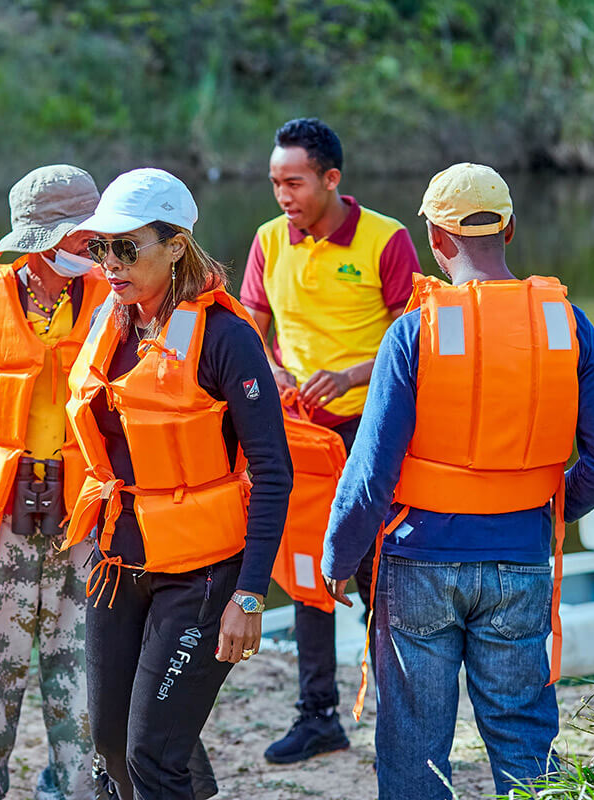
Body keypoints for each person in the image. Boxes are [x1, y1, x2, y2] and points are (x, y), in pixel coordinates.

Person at [321, 163, 594, 800]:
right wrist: (549, 511)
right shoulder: (568, 326)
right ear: (510, 229)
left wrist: (337, 556)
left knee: (414, 745)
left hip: (417, 563)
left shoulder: (413, 332)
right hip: (521, 561)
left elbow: (372, 474)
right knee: (523, 741)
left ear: (436, 240)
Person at [59, 168, 293, 800]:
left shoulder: (227, 339)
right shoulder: (112, 321)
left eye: (126, 248)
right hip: (118, 559)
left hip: (202, 575)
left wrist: (249, 597)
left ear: (175, 245)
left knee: (152, 757)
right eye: (101, 248)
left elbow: (274, 472)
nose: (109, 263)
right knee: (109, 741)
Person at [239, 117, 422, 763]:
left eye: (294, 181)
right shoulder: (268, 241)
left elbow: (416, 339)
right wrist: (275, 368)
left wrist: (350, 374)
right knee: (310, 571)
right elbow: (248, 330)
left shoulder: (387, 239)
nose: (283, 194)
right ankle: (318, 716)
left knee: (379, 573)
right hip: (301, 433)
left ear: (331, 178)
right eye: (275, 182)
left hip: (374, 430)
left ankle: (402, 720)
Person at [0, 164, 110, 800]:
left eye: (94, 234)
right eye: (78, 237)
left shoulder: (115, 304)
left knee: (85, 675)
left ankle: (83, 790)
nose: (91, 247)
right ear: (39, 242)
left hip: (86, 517)